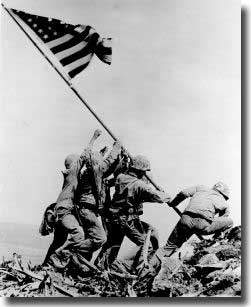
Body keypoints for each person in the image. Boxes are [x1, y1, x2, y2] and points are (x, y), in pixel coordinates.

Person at [45, 129, 102, 269]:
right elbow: (84, 156)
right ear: (73, 164)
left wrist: (101, 154)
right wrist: (94, 138)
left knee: (58, 239)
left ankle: (46, 264)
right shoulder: (72, 173)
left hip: (61, 209)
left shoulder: (72, 176)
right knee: (79, 233)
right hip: (64, 210)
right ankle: (59, 255)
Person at [106, 155, 171, 272]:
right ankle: (123, 266)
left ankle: (103, 266)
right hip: (127, 219)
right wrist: (164, 194)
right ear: (140, 171)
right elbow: (160, 198)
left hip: (115, 217)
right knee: (147, 245)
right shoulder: (140, 185)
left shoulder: (121, 177)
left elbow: (135, 195)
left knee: (113, 244)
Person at [68, 140, 122, 268]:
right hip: (86, 210)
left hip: (87, 211)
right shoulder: (93, 172)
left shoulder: (93, 174)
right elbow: (107, 165)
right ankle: (70, 251)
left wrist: (121, 159)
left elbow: (109, 171)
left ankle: (78, 266)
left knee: (90, 238)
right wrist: (116, 148)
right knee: (100, 238)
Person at [162, 181, 234, 257]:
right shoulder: (224, 203)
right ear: (224, 194)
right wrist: (216, 236)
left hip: (186, 220)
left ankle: (152, 265)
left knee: (169, 247)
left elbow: (183, 193)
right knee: (229, 222)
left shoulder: (201, 188)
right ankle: (214, 243)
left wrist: (173, 203)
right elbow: (222, 219)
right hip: (202, 225)